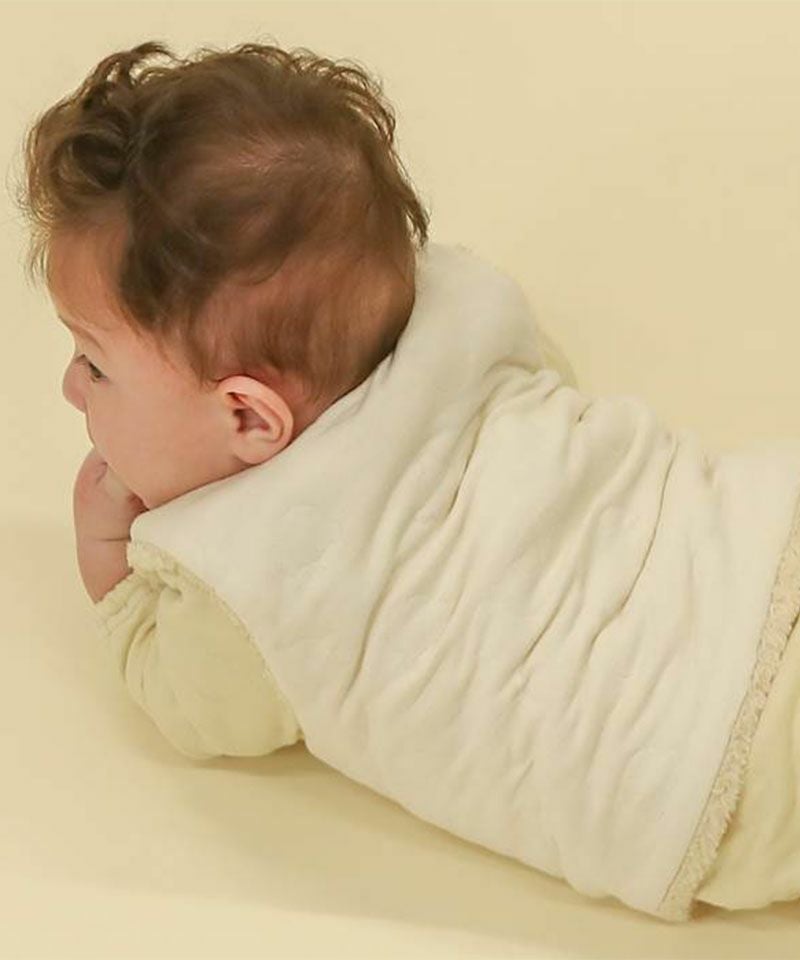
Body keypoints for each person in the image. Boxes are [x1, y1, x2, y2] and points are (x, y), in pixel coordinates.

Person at [14, 39, 800, 923]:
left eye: (94, 364)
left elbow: (192, 709)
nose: (71, 388)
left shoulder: (242, 584)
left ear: (250, 419)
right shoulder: (460, 316)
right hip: (756, 536)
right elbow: (550, 381)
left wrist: (112, 566)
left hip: (705, 757)